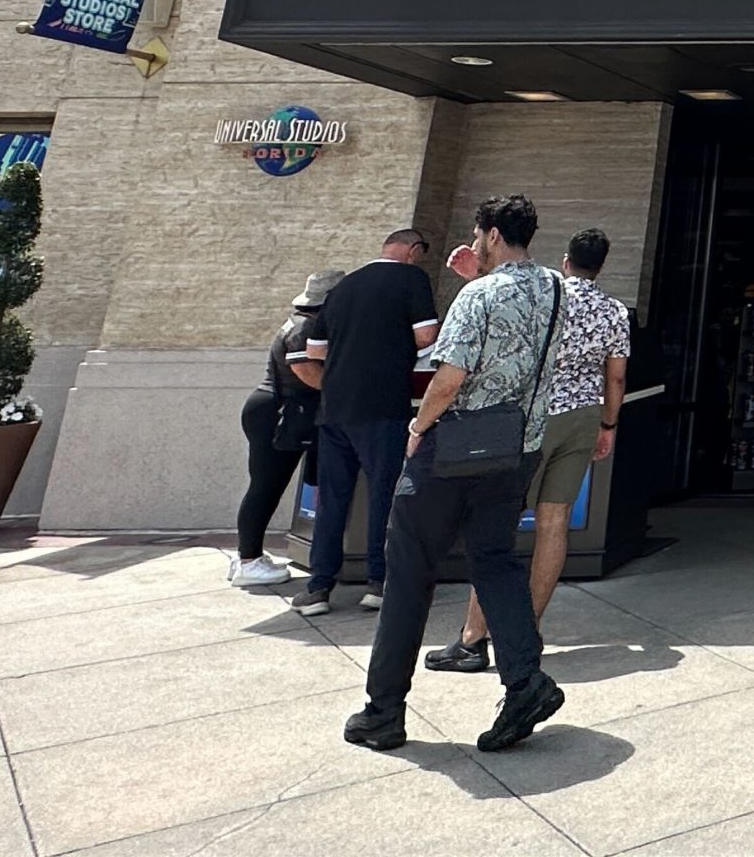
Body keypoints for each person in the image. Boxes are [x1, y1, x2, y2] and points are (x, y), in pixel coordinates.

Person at [347, 195, 568, 755]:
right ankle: (524, 681)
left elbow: (449, 377)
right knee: (494, 560)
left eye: (477, 234)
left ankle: (384, 711)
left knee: (410, 569)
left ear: (491, 234)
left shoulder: (480, 293)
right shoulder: (555, 289)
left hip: (456, 447)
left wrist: (419, 426)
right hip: (519, 446)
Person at [425, 228, 633, 674]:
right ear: (600, 265)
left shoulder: (548, 289)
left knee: (496, 523)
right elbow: (615, 377)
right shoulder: (614, 310)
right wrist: (608, 425)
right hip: (583, 416)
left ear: (565, 260)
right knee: (554, 522)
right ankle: (525, 632)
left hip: (533, 415)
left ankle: (473, 638)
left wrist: (474, 277)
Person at [289, 229, 437, 616]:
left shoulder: (342, 288)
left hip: (335, 409)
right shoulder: (412, 279)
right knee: (384, 495)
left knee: (332, 499)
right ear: (413, 250)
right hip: (383, 406)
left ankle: (319, 587)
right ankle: (379, 582)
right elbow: (426, 336)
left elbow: (315, 350)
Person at [230, 268, 340, 587]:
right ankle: (249, 561)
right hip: (281, 411)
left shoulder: (299, 321)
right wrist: (341, 392)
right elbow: (305, 369)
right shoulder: (306, 327)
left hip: (271, 408)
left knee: (263, 485)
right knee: (266, 486)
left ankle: (245, 556)